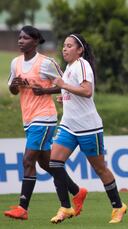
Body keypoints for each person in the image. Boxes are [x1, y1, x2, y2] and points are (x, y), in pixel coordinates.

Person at [4, 26, 86, 220]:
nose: (20, 41)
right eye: (19, 37)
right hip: (29, 118)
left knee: (28, 160)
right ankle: (77, 191)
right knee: (47, 163)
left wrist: (45, 91)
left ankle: (23, 207)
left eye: (25, 38)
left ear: (35, 41)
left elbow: (66, 86)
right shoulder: (15, 63)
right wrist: (15, 85)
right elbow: (14, 91)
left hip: (44, 117)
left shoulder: (46, 63)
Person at [49, 33, 127, 224]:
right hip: (69, 125)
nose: (65, 49)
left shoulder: (82, 65)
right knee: (54, 163)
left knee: (100, 169)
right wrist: (65, 94)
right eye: (64, 46)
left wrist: (63, 85)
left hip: (88, 128)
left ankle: (118, 206)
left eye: (69, 46)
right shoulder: (69, 68)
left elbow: (87, 91)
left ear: (80, 50)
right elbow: (75, 91)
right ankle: (66, 207)